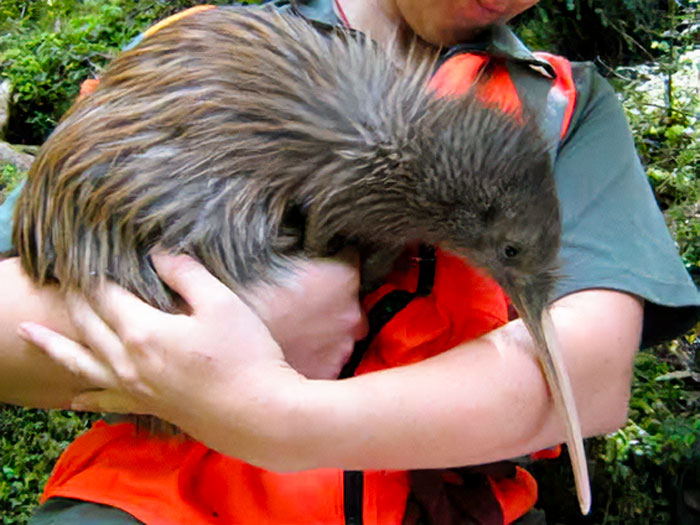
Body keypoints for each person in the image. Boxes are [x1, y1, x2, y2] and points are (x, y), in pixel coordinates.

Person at [1, 0, 698, 523]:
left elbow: (592, 375)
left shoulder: (560, 107)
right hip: (149, 503)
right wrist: (251, 317)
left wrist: (281, 417)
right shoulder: (213, 47)